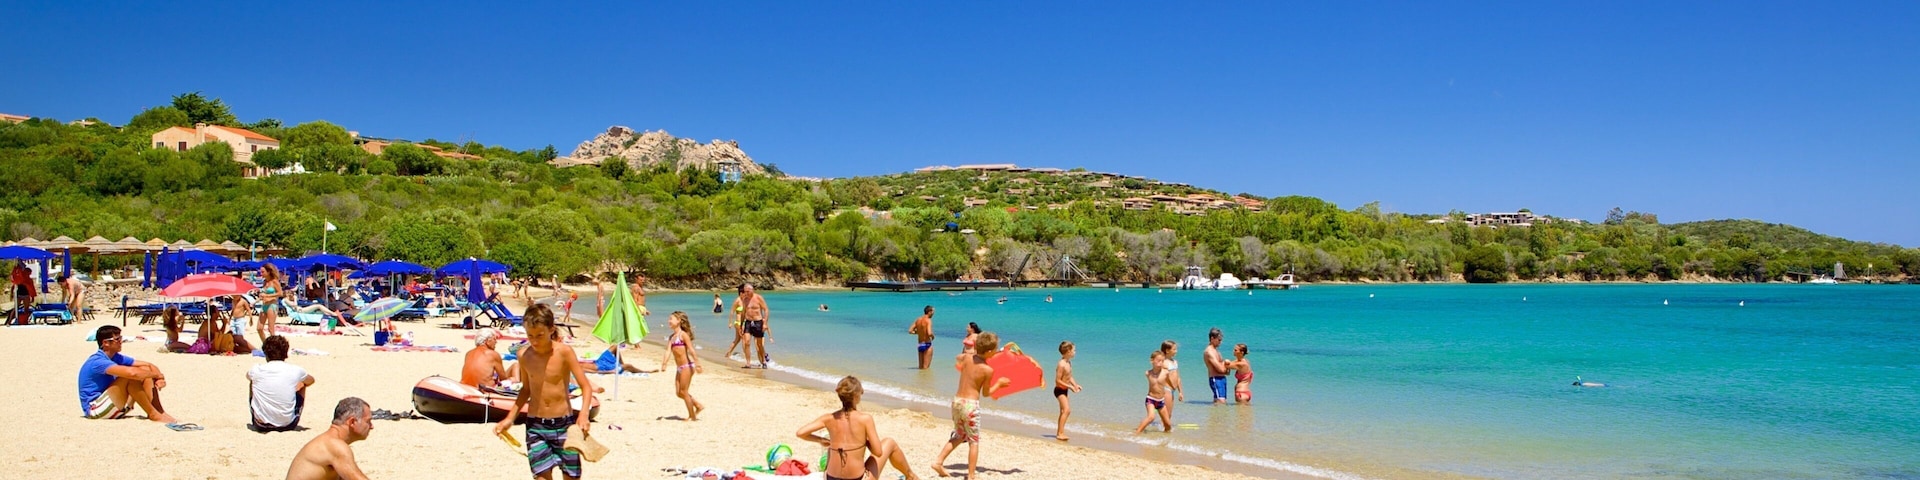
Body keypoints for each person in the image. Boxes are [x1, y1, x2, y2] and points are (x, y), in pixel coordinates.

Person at [494, 305, 595, 480]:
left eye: (539, 335)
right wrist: (509, 418)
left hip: (565, 425)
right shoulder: (523, 355)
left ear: (551, 329)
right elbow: (526, 390)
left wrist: (584, 415)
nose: (534, 341)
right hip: (536, 426)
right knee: (541, 477)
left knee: (571, 476)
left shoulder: (564, 352)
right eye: (530, 335)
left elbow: (586, 386)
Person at [797, 377, 923, 480]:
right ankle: (910, 476)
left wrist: (819, 440)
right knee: (890, 443)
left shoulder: (828, 418)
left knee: (832, 448)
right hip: (858, 479)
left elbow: (801, 433)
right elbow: (878, 452)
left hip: (830, 478)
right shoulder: (865, 419)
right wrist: (864, 442)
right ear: (857, 396)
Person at [930, 332, 1010, 479]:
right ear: (989, 351)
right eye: (995, 349)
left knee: (960, 435)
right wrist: (999, 384)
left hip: (957, 402)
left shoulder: (967, 358)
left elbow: (959, 358)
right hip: (971, 406)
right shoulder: (988, 370)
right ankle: (971, 475)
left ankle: (938, 462)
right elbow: (986, 393)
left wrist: (983, 351)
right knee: (974, 441)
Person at [77, 325, 178, 424]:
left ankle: (159, 412)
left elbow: (148, 365)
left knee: (144, 370)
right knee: (131, 377)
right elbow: (132, 374)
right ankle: (153, 414)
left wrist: (159, 378)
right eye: (117, 339)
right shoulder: (98, 361)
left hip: (114, 405)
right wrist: (157, 376)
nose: (121, 341)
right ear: (105, 343)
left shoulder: (115, 357)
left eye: (121, 338)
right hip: (95, 410)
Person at [285, 397, 374, 480]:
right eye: (368, 421)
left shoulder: (328, 441)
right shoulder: (335, 446)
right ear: (352, 422)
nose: (371, 426)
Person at [249, 335, 315, 432]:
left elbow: (248, 376)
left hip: (261, 425)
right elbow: (311, 380)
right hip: (288, 425)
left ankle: (259, 415)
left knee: (253, 381)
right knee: (303, 383)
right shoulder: (295, 370)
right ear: (286, 353)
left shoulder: (256, 369)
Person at [659, 311, 704, 420]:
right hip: (679, 368)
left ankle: (692, 416)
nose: (669, 321)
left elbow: (692, 350)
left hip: (687, 366)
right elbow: (668, 351)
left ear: (679, 321)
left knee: (684, 392)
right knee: (679, 393)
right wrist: (664, 363)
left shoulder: (683, 335)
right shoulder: (672, 337)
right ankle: (698, 405)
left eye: (671, 319)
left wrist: (697, 364)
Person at [1133, 351, 1173, 433]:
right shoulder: (1148, 373)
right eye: (1158, 360)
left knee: (1168, 425)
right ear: (1152, 361)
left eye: (1162, 361)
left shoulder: (1166, 372)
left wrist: (1175, 389)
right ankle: (1136, 433)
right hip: (1150, 399)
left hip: (1161, 401)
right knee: (1151, 417)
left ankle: (1164, 438)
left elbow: (1169, 382)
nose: (1161, 363)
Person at [1053, 341, 1084, 441]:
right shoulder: (1061, 364)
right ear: (1068, 351)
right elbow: (1057, 381)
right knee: (1067, 410)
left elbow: (1069, 377)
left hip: (1065, 390)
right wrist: (1070, 387)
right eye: (1074, 350)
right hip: (1059, 390)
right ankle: (1060, 433)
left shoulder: (1068, 363)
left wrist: (1075, 385)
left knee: (1063, 411)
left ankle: (1060, 432)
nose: (1075, 352)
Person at [738, 283, 771, 368]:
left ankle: (763, 361)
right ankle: (748, 363)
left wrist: (765, 323)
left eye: (748, 291)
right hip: (748, 322)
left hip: (758, 322)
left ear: (752, 290)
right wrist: (741, 325)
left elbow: (766, 310)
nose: (746, 293)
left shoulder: (758, 298)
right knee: (747, 342)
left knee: (759, 344)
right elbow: (743, 313)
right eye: (745, 292)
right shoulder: (745, 300)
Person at [258, 264, 286, 344]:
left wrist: (267, 295)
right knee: (259, 328)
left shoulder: (274, 281)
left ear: (269, 272)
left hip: (272, 305)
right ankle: (265, 345)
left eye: (263, 272)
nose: (261, 273)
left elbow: (280, 293)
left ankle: (274, 347)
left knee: (271, 329)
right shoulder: (265, 282)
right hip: (264, 305)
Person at [1203, 328, 1230, 405]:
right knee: (1221, 401)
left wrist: (1227, 366)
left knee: (1219, 401)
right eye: (1219, 340)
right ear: (1212, 338)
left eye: (1221, 340)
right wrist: (1227, 365)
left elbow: (1226, 371)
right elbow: (1220, 369)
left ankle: (1216, 417)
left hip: (1222, 379)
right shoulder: (1209, 352)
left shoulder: (1216, 351)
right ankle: (1218, 417)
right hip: (1216, 379)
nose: (1220, 342)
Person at [1159, 340, 1185, 407]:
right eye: (1174, 349)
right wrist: (1172, 386)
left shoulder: (1175, 362)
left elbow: (1178, 377)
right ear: (1167, 350)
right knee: (1166, 414)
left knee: (1169, 414)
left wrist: (1180, 392)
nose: (1176, 351)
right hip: (1166, 389)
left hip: (1173, 390)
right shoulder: (1164, 363)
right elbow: (1165, 378)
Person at [909, 306, 935, 370]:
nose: (933, 314)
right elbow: (929, 333)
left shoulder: (918, 320)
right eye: (933, 312)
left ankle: (920, 379)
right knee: (926, 368)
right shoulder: (928, 320)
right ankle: (925, 380)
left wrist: (918, 333)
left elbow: (910, 331)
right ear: (929, 312)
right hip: (927, 344)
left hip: (920, 344)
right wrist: (933, 336)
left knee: (920, 368)